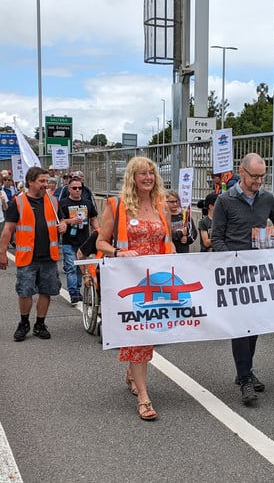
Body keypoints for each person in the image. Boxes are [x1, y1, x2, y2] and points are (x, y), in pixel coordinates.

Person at [95, 156, 174, 421]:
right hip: (129, 282)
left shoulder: (161, 205)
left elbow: (168, 241)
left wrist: (173, 255)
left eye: (151, 173)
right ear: (132, 177)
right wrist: (120, 252)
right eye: (142, 174)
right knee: (138, 336)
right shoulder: (117, 205)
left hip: (157, 281)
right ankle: (143, 397)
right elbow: (101, 242)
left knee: (149, 334)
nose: (148, 178)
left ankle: (132, 373)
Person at [210, 153, 274, 404]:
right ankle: (245, 379)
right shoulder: (225, 200)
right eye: (254, 176)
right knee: (240, 326)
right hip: (235, 273)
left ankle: (245, 370)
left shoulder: (267, 199)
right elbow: (217, 238)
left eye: (262, 176)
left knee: (254, 324)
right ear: (241, 173)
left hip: (259, 273)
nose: (258, 181)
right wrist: (230, 260)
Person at [0, 166, 66, 341]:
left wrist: (64, 225)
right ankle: (24, 322)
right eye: (41, 181)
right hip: (27, 257)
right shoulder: (18, 202)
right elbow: (8, 230)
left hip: (49, 256)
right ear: (30, 182)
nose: (46, 184)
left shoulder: (53, 201)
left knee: (46, 291)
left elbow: (61, 220)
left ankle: (40, 324)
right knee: (25, 292)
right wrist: (2, 253)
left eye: (46, 181)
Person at [58, 177, 99, 304]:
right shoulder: (63, 203)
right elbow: (60, 221)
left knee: (81, 268)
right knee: (70, 267)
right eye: (74, 188)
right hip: (68, 241)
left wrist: (98, 233)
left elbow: (93, 219)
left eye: (79, 188)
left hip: (83, 241)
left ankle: (78, 289)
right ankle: (74, 293)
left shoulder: (87, 203)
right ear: (69, 189)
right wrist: (71, 221)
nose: (77, 190)